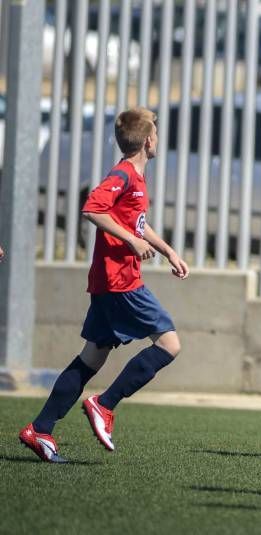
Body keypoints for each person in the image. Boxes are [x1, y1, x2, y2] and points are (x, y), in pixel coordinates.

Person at [19, 107, 189, 463]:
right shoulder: (124, 174)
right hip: (119, 281)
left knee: (90, 358)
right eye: (155, 133)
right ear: (147, 141)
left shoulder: (137, 179)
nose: (158, 138)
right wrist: (130, 241)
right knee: (170, 344)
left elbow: (138, 224)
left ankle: (41, 429)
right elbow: (92, 209)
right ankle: (104, 404)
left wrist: (168, 250)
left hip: (109, 281)